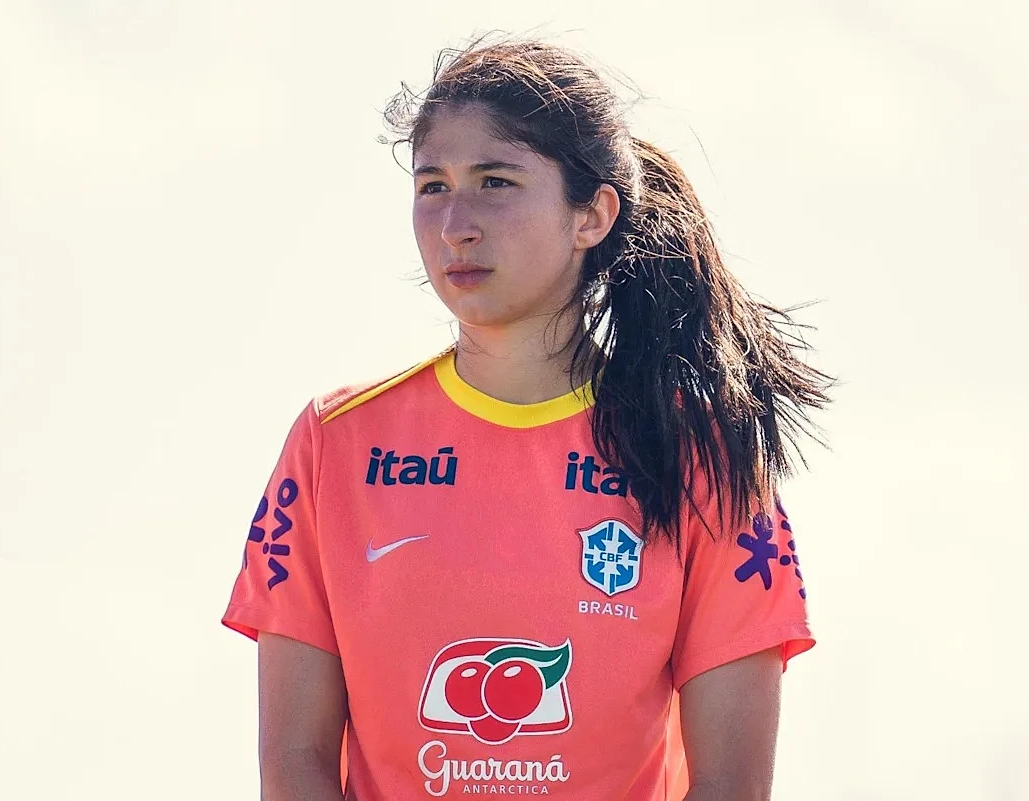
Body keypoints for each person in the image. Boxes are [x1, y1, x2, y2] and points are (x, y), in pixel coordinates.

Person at [222, 36, 831, 801]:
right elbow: (295, 760)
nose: (455, 224)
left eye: (495, 182)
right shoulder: (335, 441)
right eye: (433, 186)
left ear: (591, 214)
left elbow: (730, 785)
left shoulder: (704, 453)